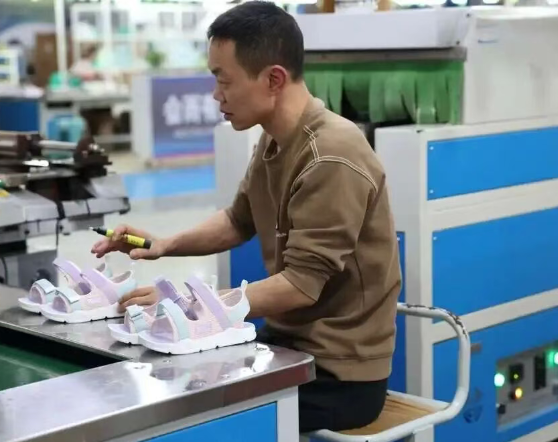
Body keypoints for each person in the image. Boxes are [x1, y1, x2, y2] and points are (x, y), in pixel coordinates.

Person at [91, 1, 401, 434]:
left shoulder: (331, 154)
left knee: (188, 413)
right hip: (286, 349)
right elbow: (239, 220)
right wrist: (164, 245)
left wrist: (190, 307)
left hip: (337, 376)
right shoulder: (275, 140)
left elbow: (300, 285)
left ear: (273, 79)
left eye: (224, 81)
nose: (216, 95)